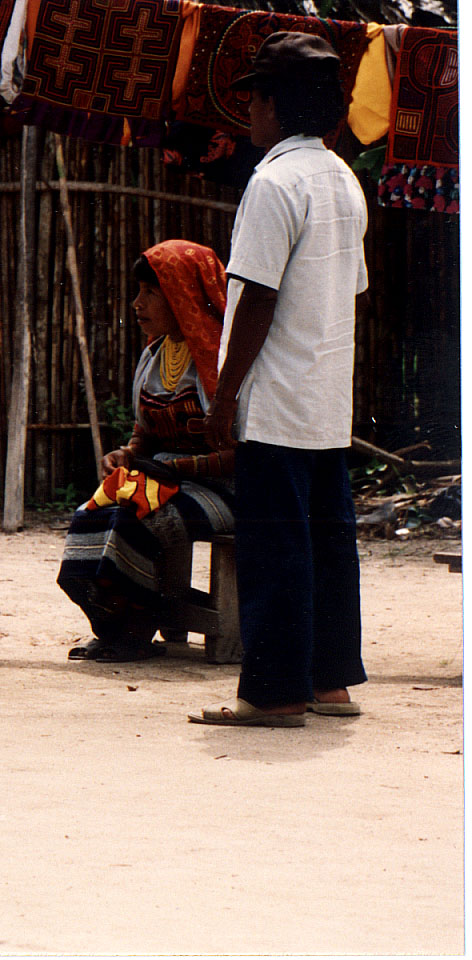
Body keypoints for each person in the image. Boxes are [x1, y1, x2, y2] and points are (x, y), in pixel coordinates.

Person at [191, 32, 368, 727]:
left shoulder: (274, 181)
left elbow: (257, 297)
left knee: (276, 547)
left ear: (273, 102)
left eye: (256, 96)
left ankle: (274, 695)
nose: (250, 112)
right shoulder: (340, 180)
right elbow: (344, 292)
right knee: (327, 542)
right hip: (325, 398)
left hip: (277, 399)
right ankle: (329, 684)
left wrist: (226, 395)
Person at [57, 240, 234, 662]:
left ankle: (133, 629)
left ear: (182, 294)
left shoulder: (219, 360)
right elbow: (144, 436)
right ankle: (113, 626)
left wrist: (171, 467)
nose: (137, 303)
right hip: (167, 481)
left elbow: (242, 452)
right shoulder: (154, 356)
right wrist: (127, 455)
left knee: (141, 519)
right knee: (92, 515)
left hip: (223, 488)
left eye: (149, 292)